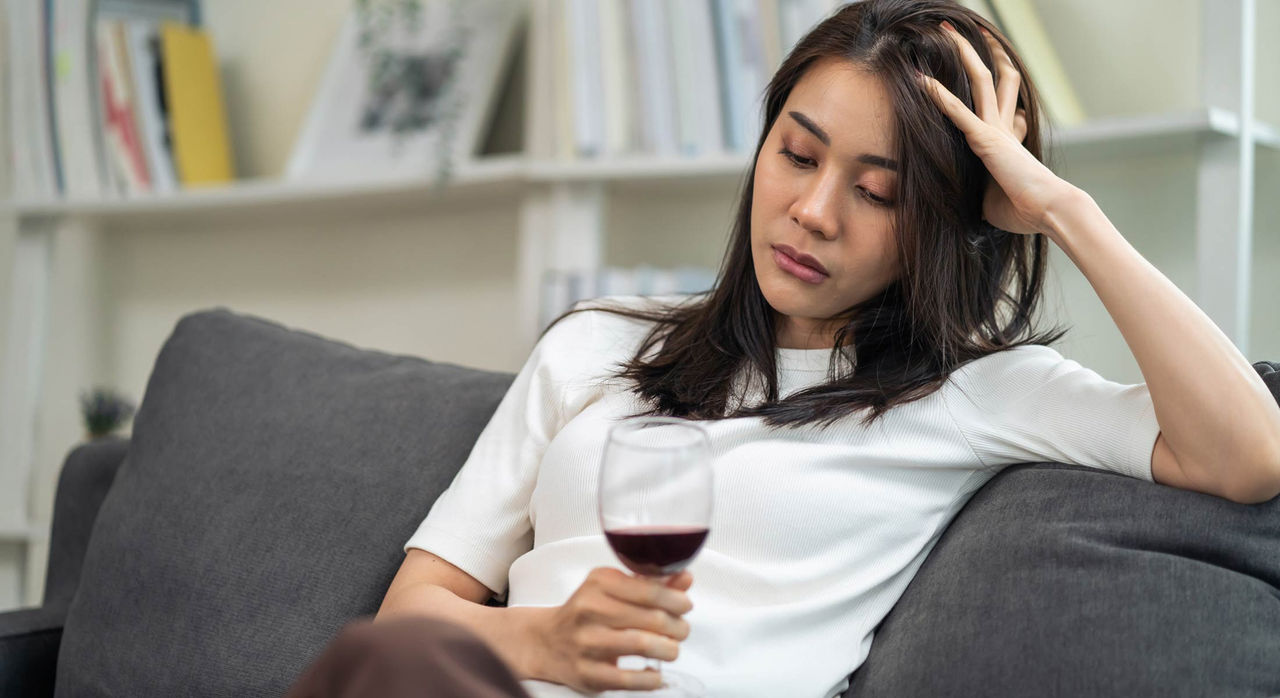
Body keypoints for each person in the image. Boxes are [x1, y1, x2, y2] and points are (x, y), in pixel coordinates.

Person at [286, 0, 1280, 696]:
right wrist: (542, 636)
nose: (810, 211)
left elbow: (1244, 453)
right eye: (796, 155)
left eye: (876, 190)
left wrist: (1059, 208)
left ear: (938, 220)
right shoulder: (597, 343)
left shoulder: (972, 390)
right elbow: (407, 617)